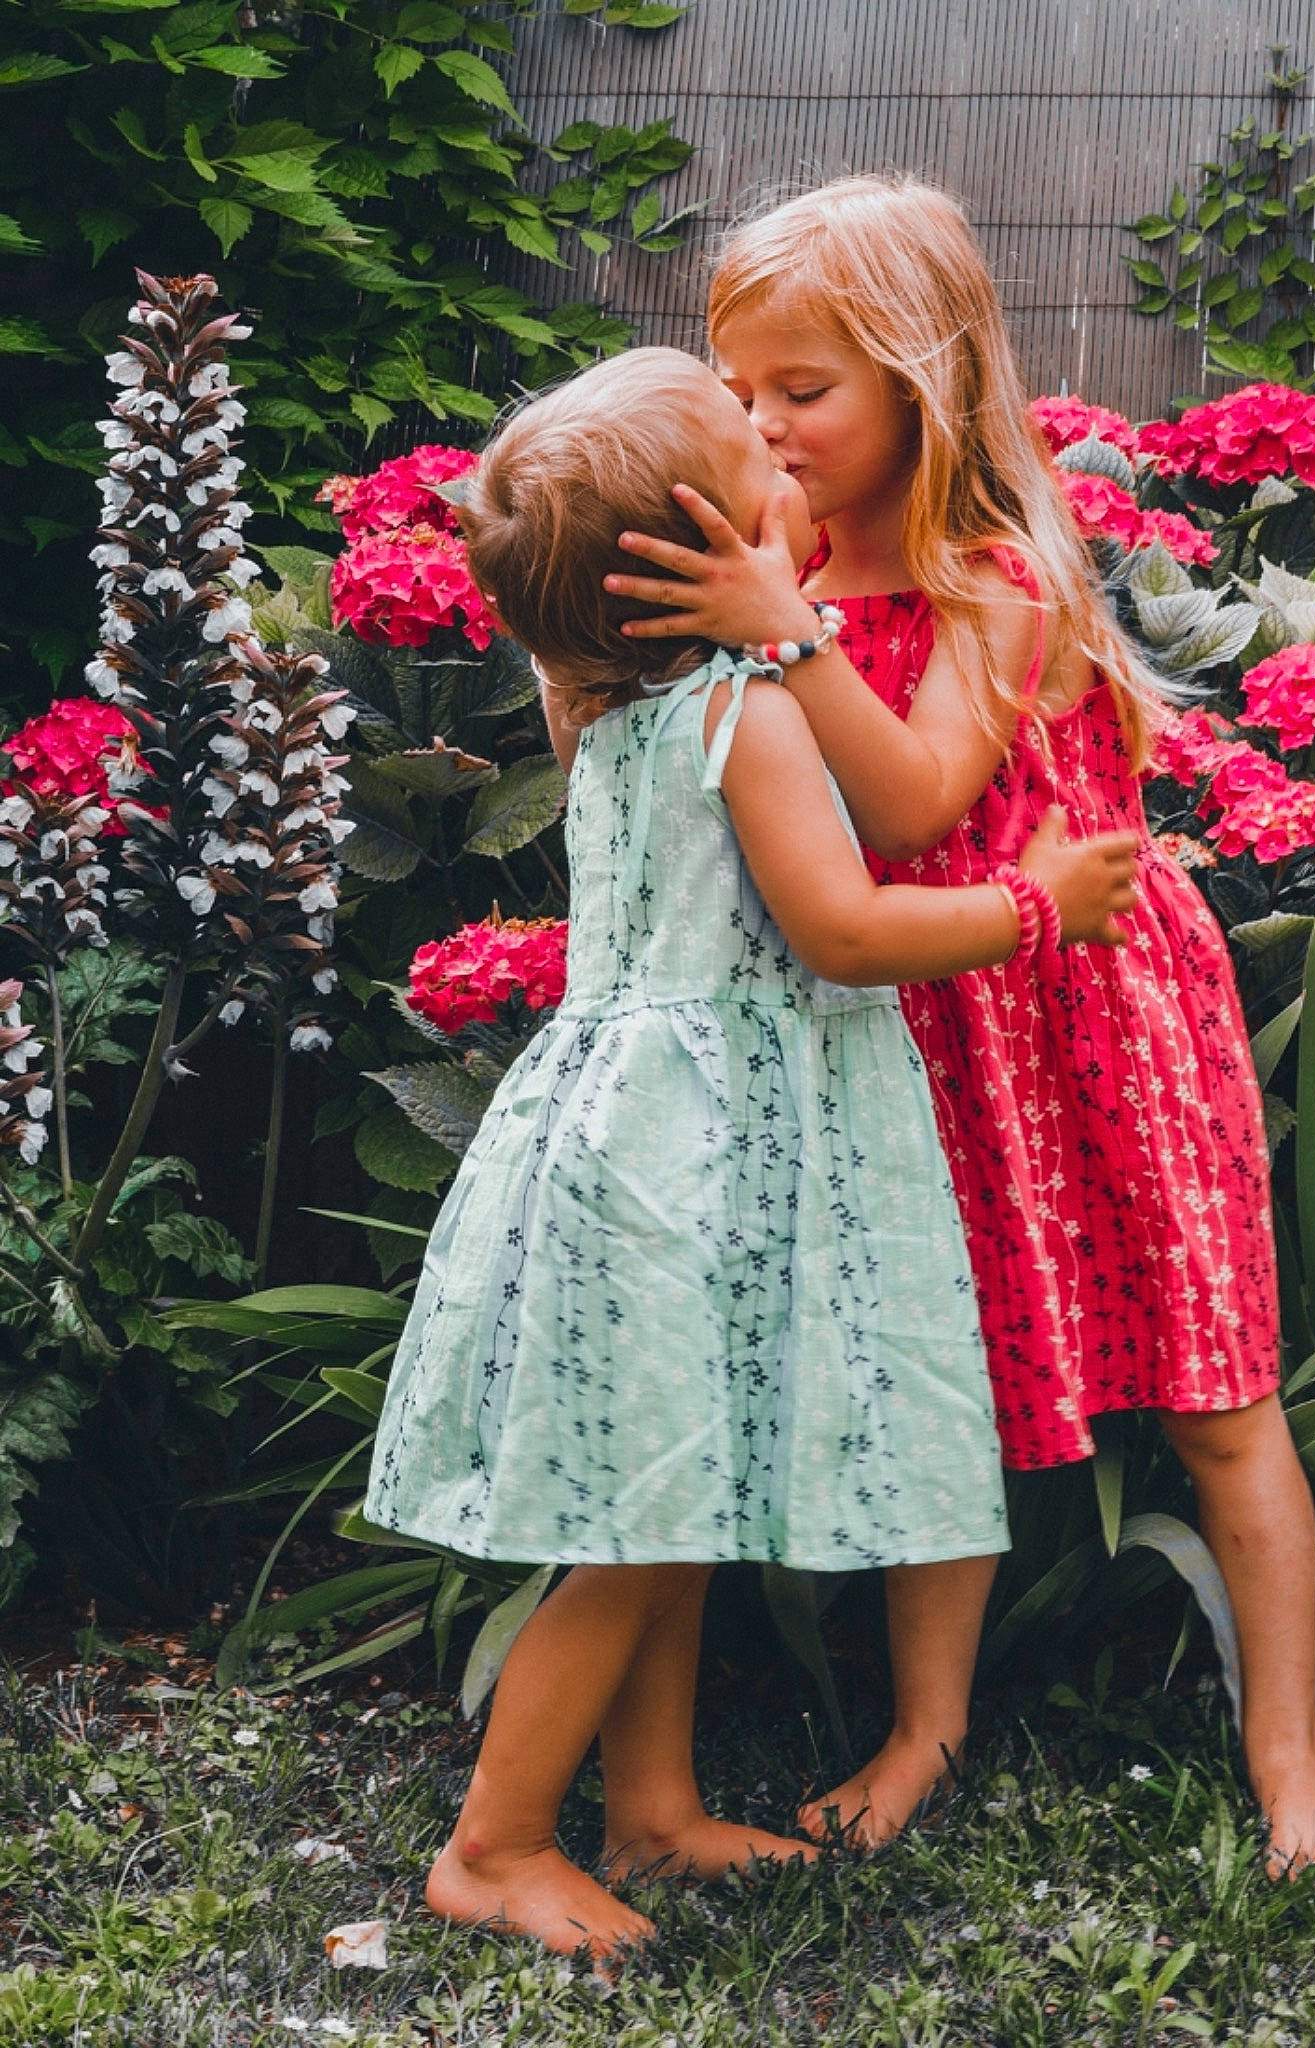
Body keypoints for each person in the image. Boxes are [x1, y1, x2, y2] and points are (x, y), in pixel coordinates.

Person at [605, 176, 1315, 1878]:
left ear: (921, 386)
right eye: (736, 389)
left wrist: (784, 632)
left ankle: (1289, 1747)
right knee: (944, 1388)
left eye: (801, 392)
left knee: (1214, 1386)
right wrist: (762, 606)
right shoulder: (777, 572)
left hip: (1099, 1025)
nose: (761, 426)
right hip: (919, 1032)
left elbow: (920, 794)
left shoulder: (989, 572)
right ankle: (923, 1729)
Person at [362, 345, 1141, 1956]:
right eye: (761, 470)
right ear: (692, 558)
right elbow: (845, 931)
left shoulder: (611, 709)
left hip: (642, 1142)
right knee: (636, 1534)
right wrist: (1030, 909)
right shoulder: (742, 710)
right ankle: (495, 1847)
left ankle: (651, 1815)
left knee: (673, 1496)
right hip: (699, 1159)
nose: (798, 477)